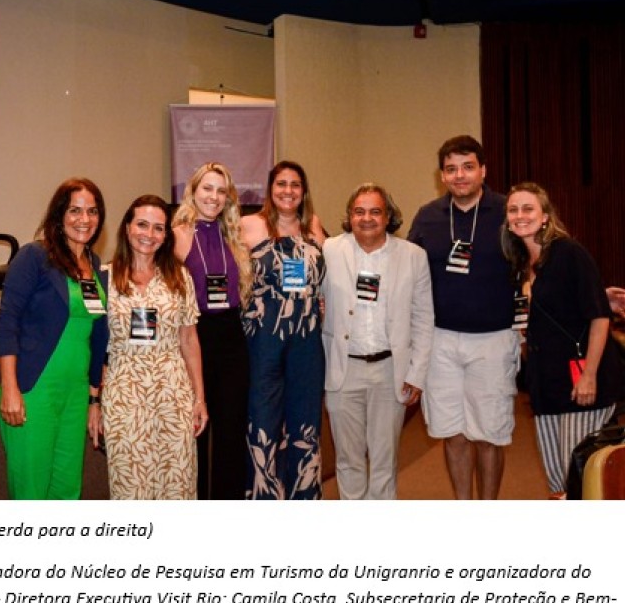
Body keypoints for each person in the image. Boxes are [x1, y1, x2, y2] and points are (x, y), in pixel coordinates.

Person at [408, 135, 625, 500]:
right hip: (442, 339)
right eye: (451, 169)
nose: (460, 175)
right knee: (452, 433)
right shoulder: (427, 216)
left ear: (483, 170)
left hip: (495, 338)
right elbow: (408, 275)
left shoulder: (509, 211)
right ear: (442, 175)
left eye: (468, 167)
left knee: (489, 434)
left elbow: (551, 262)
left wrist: (596, 294)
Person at [502, 182, 625, 497]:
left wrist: (589, 375)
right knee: (557, 479)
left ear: (545, 215)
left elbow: (599, 317)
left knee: (579, 475)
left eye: (528, 208)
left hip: (580, 381)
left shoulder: (568, 252)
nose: (520, 215)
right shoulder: (519, 265)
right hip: (545, 384)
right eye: (513, 209)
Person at [0, 178, 109, 500]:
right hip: (35, 389)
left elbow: (97, 335)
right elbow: (7, 321)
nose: (84, 219)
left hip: (75, 394)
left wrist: (93, 398)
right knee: (32, 491)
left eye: (92, 211)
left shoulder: (95, 265)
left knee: (67, 489)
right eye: (75, 210)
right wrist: (11, 389)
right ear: (59, 215)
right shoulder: (34, 256)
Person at [322, 183, 434, 499]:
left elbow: (424, 318)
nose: (367, 218)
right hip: (344, 369)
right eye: (359, 211)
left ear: (388, 217)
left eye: (375, 211)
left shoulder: (413, 256)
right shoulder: (330, 250)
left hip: (390, 370)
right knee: (348, 458)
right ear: (350, 216)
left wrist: (417, 373)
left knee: (385, 459)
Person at [92, 195, 207, 500]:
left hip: (173, 394)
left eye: (158, 228)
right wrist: (95, 401)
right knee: (130, 487)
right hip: (124, 394)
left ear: (166, 235)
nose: (149, 234)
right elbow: (95, 346)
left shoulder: (180, 277)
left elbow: (189, 340)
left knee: (178, 484)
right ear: (127, 227)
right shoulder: (104, 278)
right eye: (142, 224)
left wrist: (200, 399)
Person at [239, 160, 326, 499]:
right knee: (263, 421)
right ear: (270, 189)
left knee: (305, 422)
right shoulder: (249, 225)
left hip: (306, 340)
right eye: (281, 184)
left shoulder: (314, 226)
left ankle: (303, 497)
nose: (288, 191)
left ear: (304, 191)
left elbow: (324, 282)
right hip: (263, 341)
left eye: (295, 185)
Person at [172, 162, 251, 499]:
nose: (214, 197)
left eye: (221, 191)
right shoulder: (177, 235)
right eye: (207, 188)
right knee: (196, 429)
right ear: (193, 191)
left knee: (231, 431)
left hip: (231, 337)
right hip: (194, 336)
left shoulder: (233, 235)